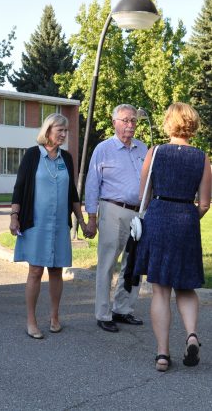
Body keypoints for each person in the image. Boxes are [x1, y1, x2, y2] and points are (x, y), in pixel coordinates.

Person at [133, 103, 211, 371]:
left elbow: (143, 194)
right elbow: (204, 204)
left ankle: (163, 354)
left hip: (158, 218)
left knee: (160, 289)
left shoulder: (154, 153)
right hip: (186, 222)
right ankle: (191, 334)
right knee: (186, 286)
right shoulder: (202, 158)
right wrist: (189, 218)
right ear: (192, 124)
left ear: (169, 123)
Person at [9, 113, 87, 339]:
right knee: (35, 270)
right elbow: (19, 187)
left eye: (66, 131)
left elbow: (73, 192)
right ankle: (31, 320)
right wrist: (14, 215)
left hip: (59, 224)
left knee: (56, 270)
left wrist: (80, 220)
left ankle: (54, 316)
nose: (63, 134)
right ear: (48, 131)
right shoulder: (33, 155)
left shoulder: (67, 159)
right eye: (60, 130)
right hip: (36, 223)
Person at [85, 104, 148, 332]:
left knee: (133, 264)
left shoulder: (143, 148)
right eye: (125, 120)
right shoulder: (103, 149)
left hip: (139, 213)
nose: (130, 125)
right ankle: (103, 313)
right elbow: (92, 184)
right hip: (112, 209)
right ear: (114, 123)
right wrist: (91, 217)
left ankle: (123, 309)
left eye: (133, 120)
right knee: (108, 263)